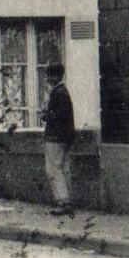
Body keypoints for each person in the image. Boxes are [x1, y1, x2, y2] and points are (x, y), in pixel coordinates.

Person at [43, 61, 76, 216]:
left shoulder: (59, 93)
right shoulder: (62, 91)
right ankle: (65, 199)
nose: (48, 79)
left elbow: (59, 116)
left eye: (50, 75)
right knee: (61, 168)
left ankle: (63, 201)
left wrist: (46, 116)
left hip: (55, 137)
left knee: (53, 169)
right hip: (63, 137)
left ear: (55, 76)